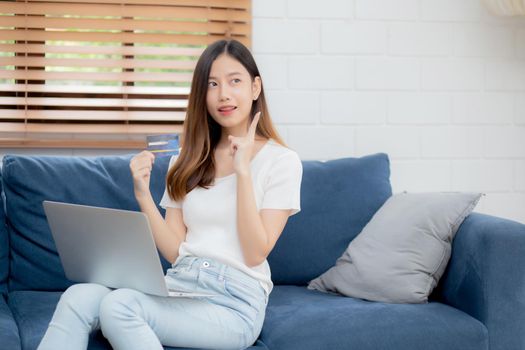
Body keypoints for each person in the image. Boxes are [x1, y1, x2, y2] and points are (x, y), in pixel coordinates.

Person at [37, 39, 303, 350]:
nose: (224, 94)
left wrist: (243, 171)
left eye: (235, 81)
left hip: (235, 302)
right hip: (180, 285)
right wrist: (142, 195)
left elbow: (256, 252)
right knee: (78, 296)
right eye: (212, 84)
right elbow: (176, 252)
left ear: (255, 88)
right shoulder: (187, 160)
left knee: (121, 305)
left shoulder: (282, 162)